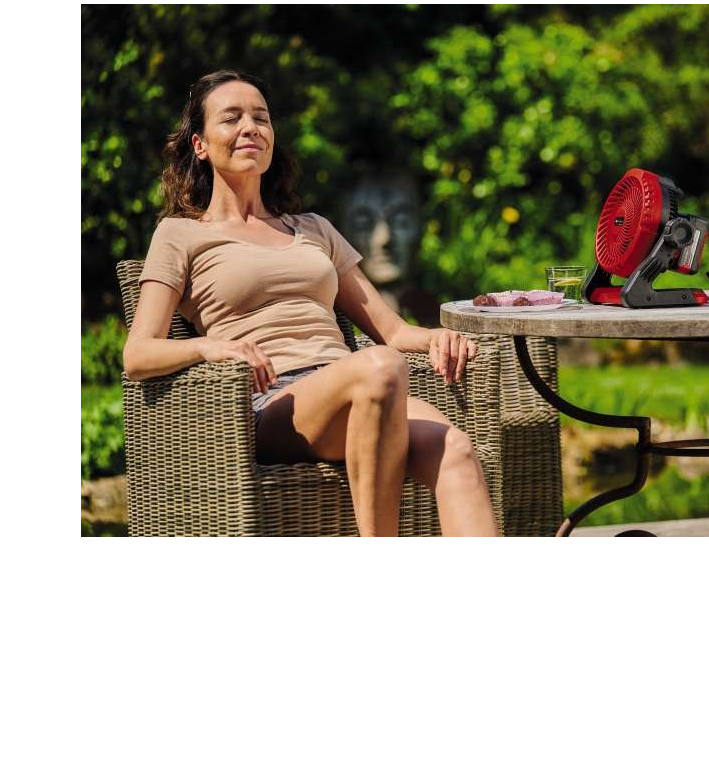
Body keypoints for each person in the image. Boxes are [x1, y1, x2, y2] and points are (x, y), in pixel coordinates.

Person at [123, 69, 499, 537]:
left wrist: (437, 337)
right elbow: (138, 354)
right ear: (200, 144)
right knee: (380, 367)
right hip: (272, 400)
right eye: (232, 118)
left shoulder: (314, 228)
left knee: (454, 449)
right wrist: (208, 347)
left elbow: (393, 331)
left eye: (261, 117)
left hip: (361, 387)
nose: (250, 128)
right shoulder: (181, 234)